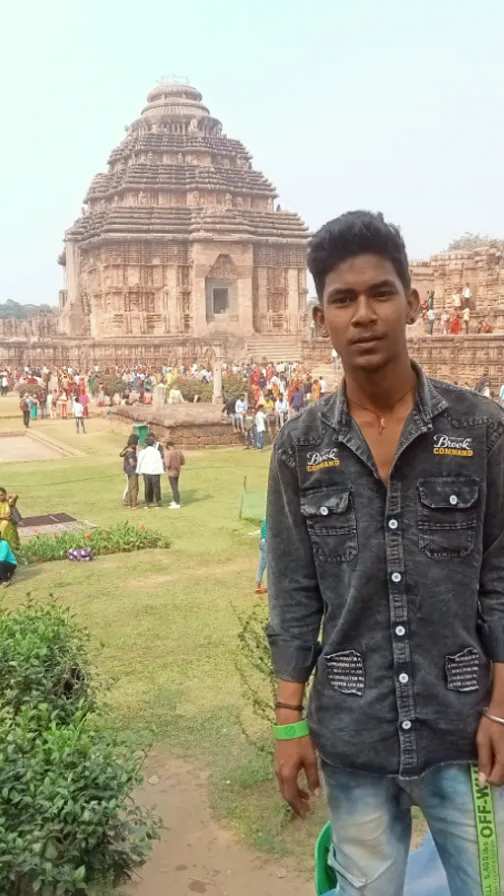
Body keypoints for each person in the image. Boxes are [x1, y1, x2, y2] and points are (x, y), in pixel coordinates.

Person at [267, 210, 504, 895]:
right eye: (342, 300)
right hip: (355, 732)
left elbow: (499, 579)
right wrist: (288, 724)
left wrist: (499, 708)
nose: (363, 315)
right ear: (321, 319)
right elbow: (293, 590)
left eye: (380, 294)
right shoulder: (300, 447)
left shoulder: (482, 432)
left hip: (463, 726)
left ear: (414, 302)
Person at [136, 436, 164, 507]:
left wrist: (138, 471)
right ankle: (158, 502)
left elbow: (139, 461)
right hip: (155, 473)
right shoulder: (156, 451)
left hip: (146, 473)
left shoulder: (143, 452)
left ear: (146, 443)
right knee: (156, 487)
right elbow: (159, 462)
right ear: (153, 444)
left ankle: (147, 503)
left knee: (147, 487)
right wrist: (161, 471)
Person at [0, 487, 20, 553]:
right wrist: (4, 517)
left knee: (10, 543)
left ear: (5, 494)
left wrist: (8, 497)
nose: (0, 497)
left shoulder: (9, 503)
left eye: (2, 495)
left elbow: (15, 495)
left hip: (8, 527)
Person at [164, 441, 185, 509]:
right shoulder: (179, 452)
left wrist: (164, 466)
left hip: (171, 472)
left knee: (174, 488)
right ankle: (175, 500)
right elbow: (183, 461)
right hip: (177, 471)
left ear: (169, 446)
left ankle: (177, 502)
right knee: (176, 486)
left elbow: (167, 464)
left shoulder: (169, 453)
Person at [120, 434, 139, 504]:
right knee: (129, 485)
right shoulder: (127, 448)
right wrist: (126, 450)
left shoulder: (135, 448)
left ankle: (128, 499)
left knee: (130, 485)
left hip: (131, 469)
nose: (136, 445)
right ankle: (125, 498)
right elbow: (121, 454)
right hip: (128, 469)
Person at [123, 442, 138, 509]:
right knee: (134, 488)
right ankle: (133, 504)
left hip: (128, 471)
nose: (136, 444)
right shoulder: (131, 453)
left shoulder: (128, 451)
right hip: (132, 472)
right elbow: (132, 463)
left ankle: (129, 503)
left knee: (129, 487)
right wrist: (139, 463)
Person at [255, 518, 267, 595]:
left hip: (261, 542)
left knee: (261, 566)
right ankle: (271, 586)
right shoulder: (273, 520)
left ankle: (257, 586)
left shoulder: (265, 520)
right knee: (271, 566)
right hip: (267, 543)